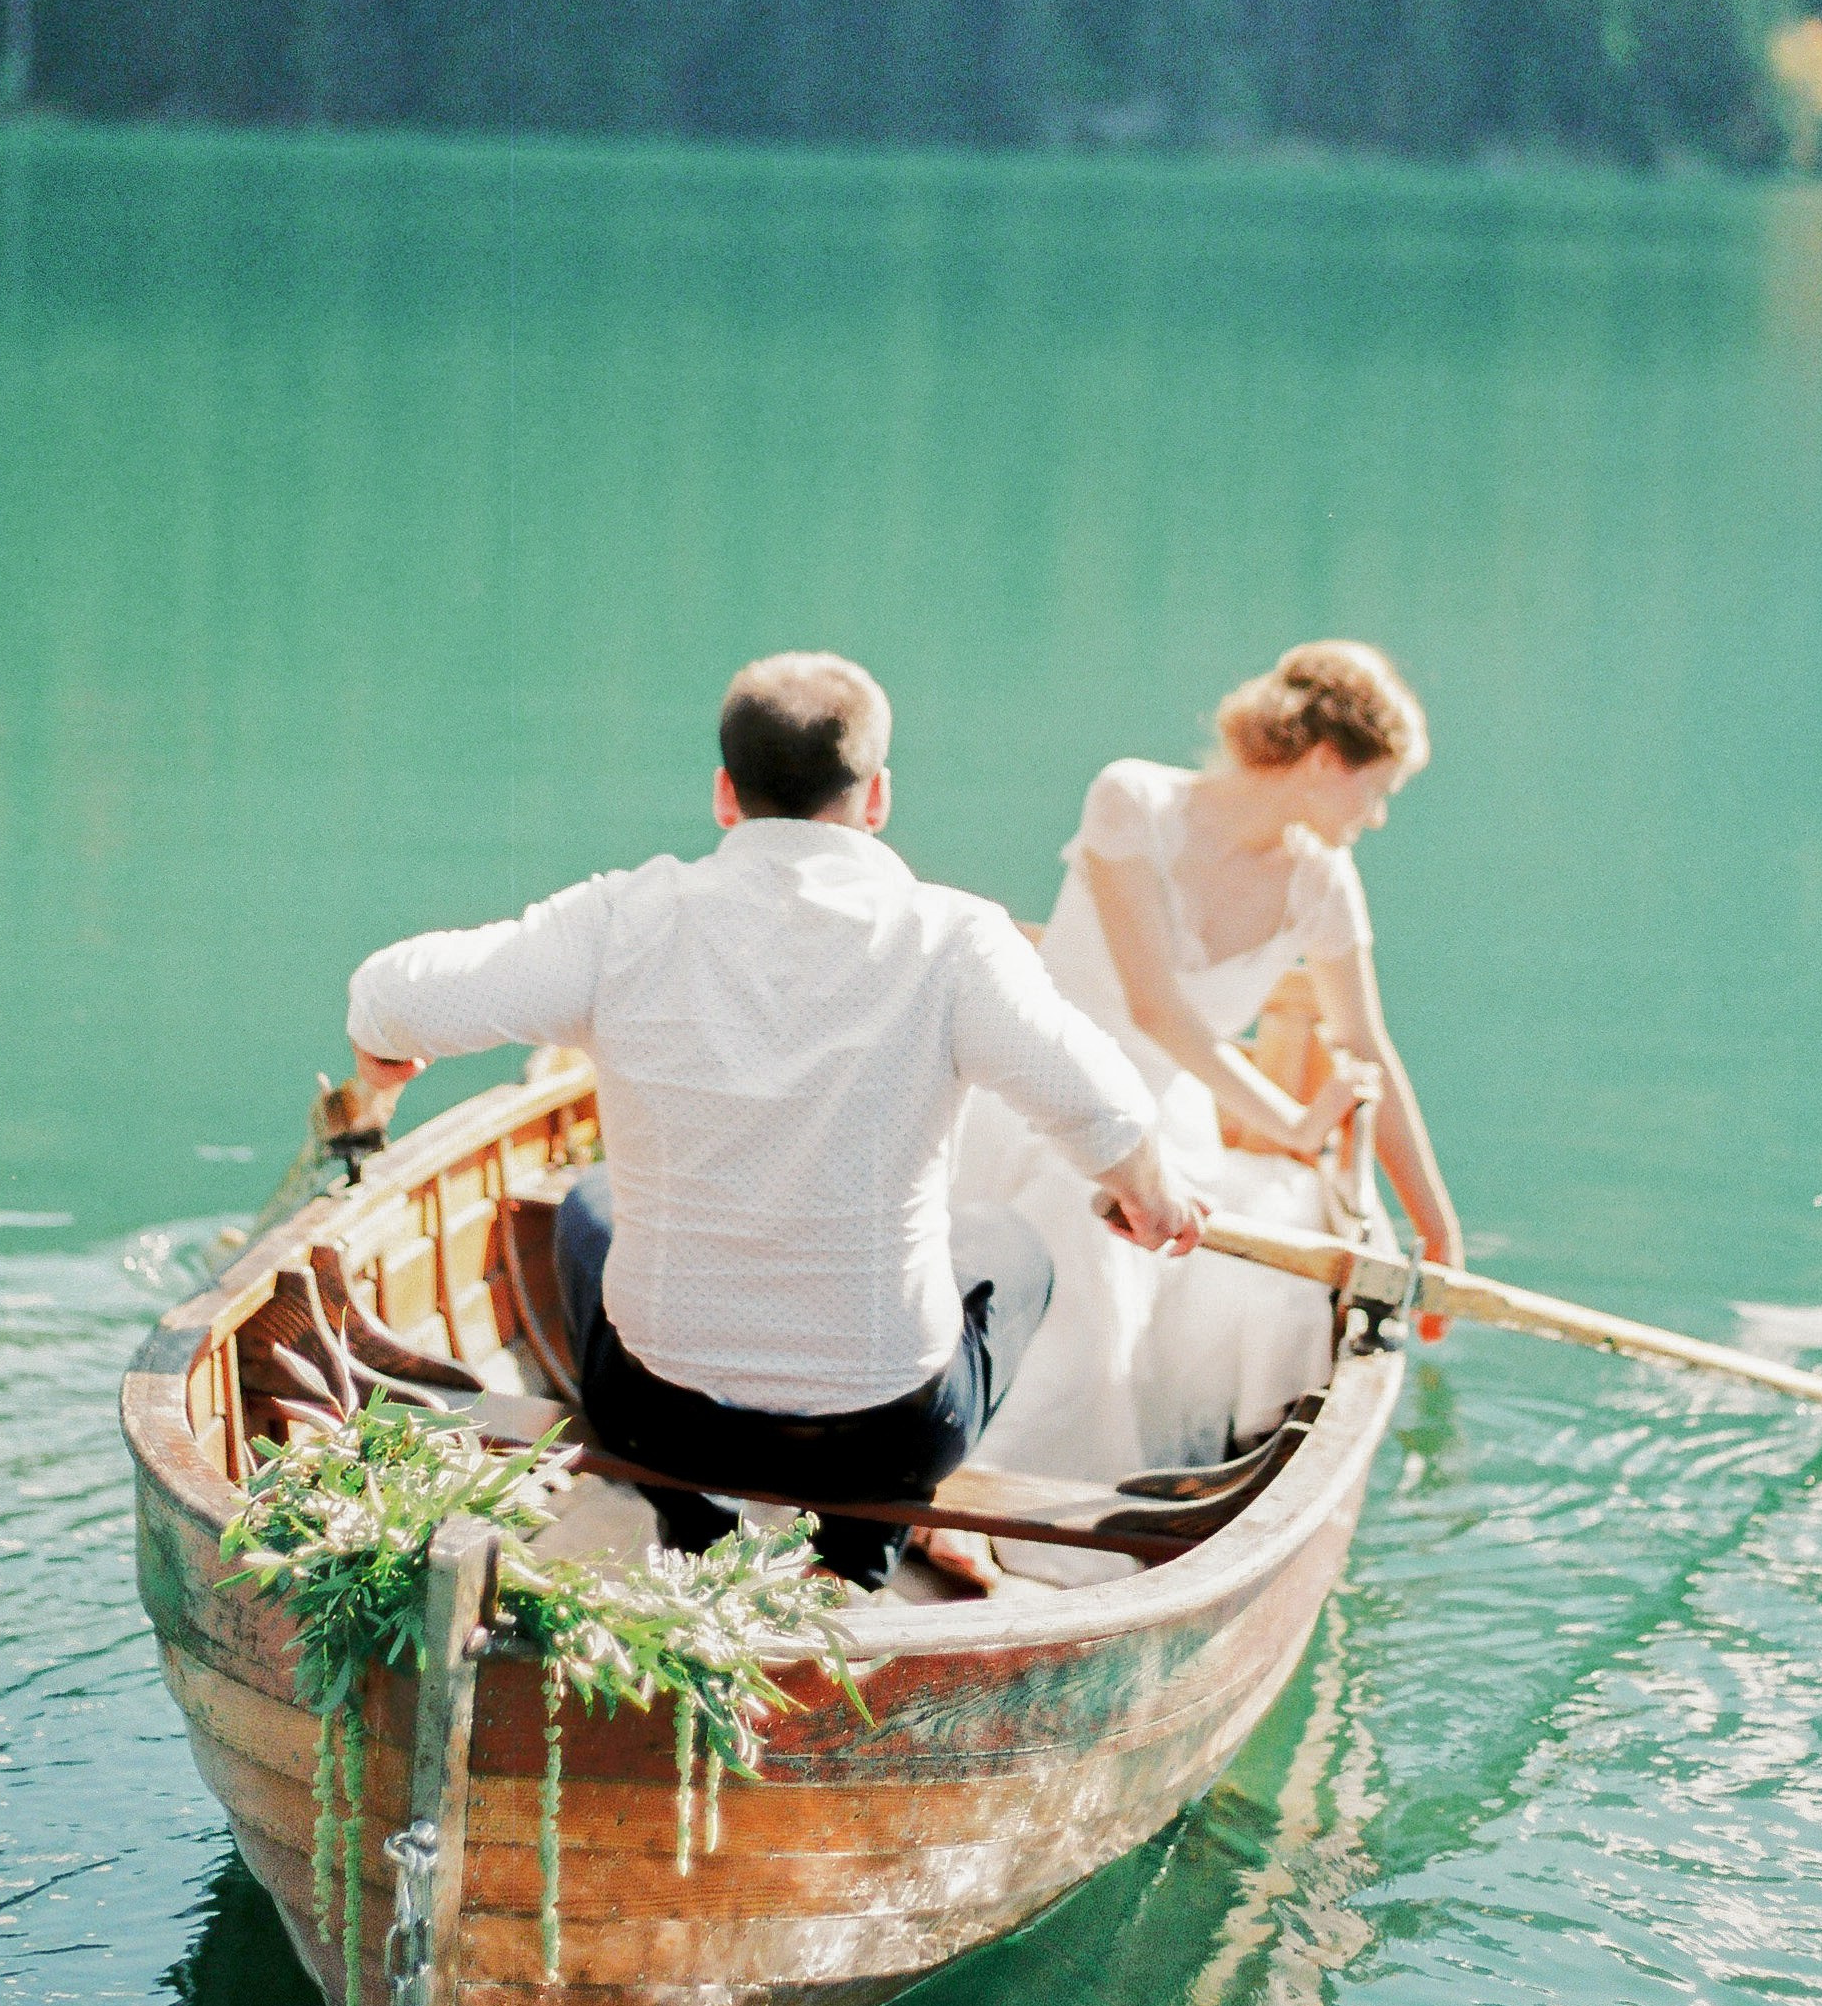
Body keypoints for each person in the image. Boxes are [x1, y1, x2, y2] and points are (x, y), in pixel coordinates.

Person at [339, 653, 1205, 1591]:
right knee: (1013, 1247)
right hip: (884, 1439)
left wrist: (383, 1049)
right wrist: (1152, 1201)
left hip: (661, 1419)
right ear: (876, 797)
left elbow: (391, 994)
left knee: (586, 1210)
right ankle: (858, 1547)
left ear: (724, 793)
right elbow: (1102, 1107)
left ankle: (694, 1517)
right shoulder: (953, 938)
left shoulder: (623, 917)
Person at [961, 639, 1464, 1501]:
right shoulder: (1131, 799)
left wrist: (1438, 1227)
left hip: (1167, 1121)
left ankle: (995, 1504)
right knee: (1073, 1236)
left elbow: (1367, 1048)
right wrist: (1295, 1126)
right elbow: (1154, 1005)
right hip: (1044, 1095)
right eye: (1375, 789)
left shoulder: (1322, 881)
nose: (1376, 815)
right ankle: (968, 1492)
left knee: (1176, 1287)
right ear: (1321, 759)